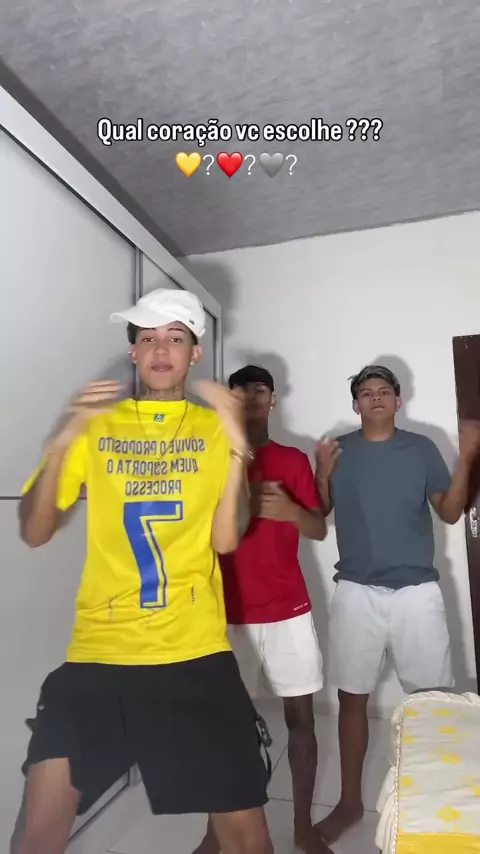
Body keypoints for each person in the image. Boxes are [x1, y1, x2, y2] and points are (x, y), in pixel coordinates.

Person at [11, 290, 275, 854]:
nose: (160, 349)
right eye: (147, 338)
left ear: (194, 353)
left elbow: (226, 538)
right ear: (133, 352)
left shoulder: (211, 430)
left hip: (194, 651)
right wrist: (62, 441)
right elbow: (33, 530)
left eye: (175, 337)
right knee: (36, 833)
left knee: (248, 839)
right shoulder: (97, 425)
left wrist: (236, 444)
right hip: (99, 653)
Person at [314, 364, 480, 846]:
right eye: (366, 392)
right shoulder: (338, 449)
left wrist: (468, 455)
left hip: (416, 593)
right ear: (356, 404)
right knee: (352, 697)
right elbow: (320, 512)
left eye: (383, 391)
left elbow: (450, 511)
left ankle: (435, 799)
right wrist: (321, 473)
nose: (375, 398)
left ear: (398, 400)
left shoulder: (421, 448)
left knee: (432, 702)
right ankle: (349, 803)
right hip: (356, 591)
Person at [193, 365, 331, 854]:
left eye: (260, 389)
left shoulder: (291, 460)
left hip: (287, 610)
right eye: (242, 390)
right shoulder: (209, 455)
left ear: (273, 399)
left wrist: (293, 512)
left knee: (302, 722)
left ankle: (302, 826)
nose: (251, 396)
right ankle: (217, 831)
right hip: (225, 614)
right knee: (225, 731)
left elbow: (318, 528)